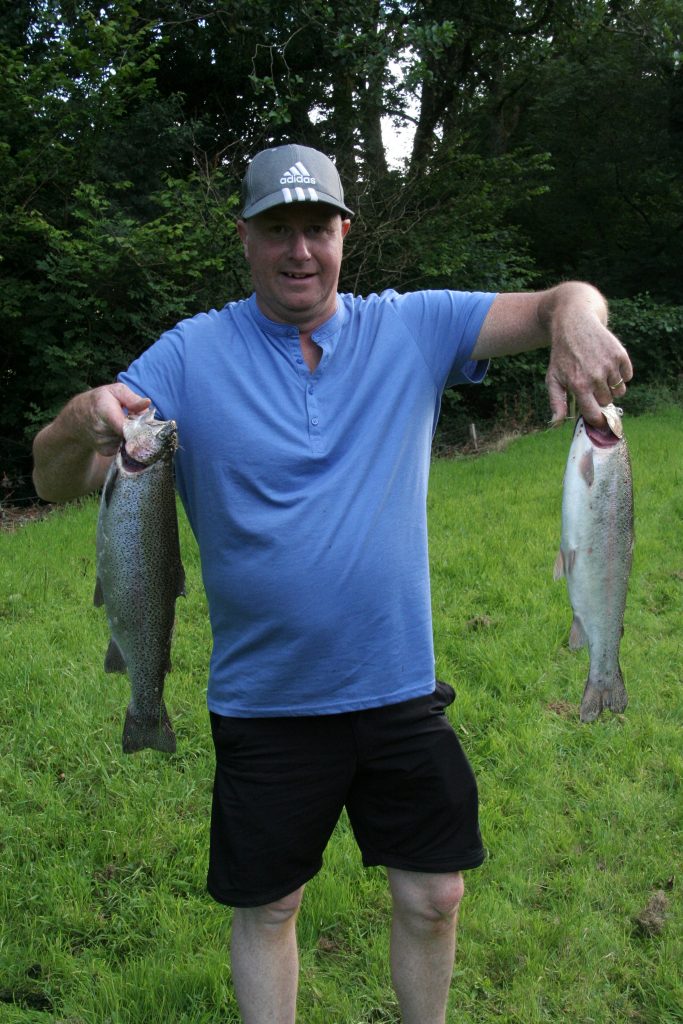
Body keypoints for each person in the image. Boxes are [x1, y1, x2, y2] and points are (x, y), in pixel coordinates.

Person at [32, 143, 633, 1024]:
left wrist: (578, 314)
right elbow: (55, 480)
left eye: (317, 227)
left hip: (394, 685)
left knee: (435, 897)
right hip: (264, 700)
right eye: (278, 229)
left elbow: (553, 305)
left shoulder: (410, 326)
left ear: (345, 233)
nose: (299, 251)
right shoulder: (189, 355)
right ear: (244, 238)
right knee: (269, 906)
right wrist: (80, 420)